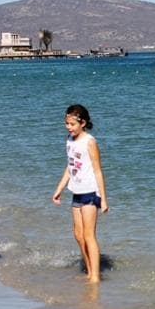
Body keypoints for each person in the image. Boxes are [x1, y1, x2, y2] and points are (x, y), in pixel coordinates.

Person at [52, 104, 109, 283]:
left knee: (88, 235)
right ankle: (89, 270)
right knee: (78, 235)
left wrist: (104, 199)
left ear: (82, 123)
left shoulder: (89, 142)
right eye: (67, 124)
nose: (69, 127)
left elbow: (98, 170)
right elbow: (70, 167)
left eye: (72, 124)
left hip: (91, 193)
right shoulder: (69, 140)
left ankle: (95, 276)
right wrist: (59, 189)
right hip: (76, 192)